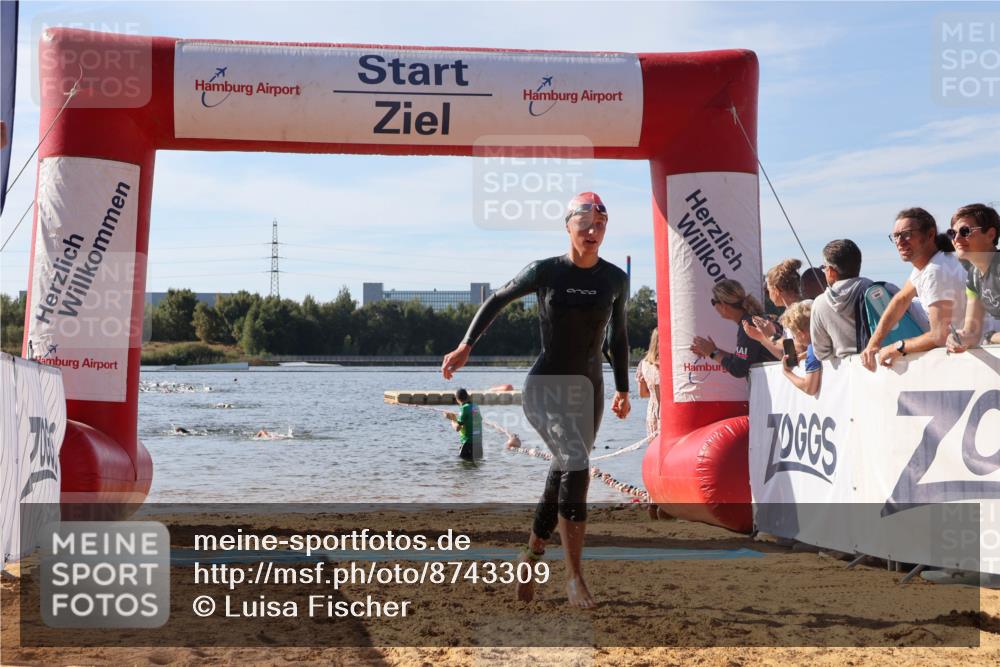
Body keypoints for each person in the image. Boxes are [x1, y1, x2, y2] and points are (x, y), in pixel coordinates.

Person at [441, 191, 630, 609]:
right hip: (546, 385)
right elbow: (496, 299)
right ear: (568, 226)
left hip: (590, 389)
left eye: (601, 224)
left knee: (566, 468)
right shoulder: (545, 272)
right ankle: (575, 579)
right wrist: (466, 344)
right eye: (586, 223)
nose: (594, 230)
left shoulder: (615, 279)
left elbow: (618, 337)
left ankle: (529, 556)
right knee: (577, 463)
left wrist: (622, 388)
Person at [861, 207, 967, 371]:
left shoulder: (935, 271)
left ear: (930, 234)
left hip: (971, 358)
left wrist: (896, 347)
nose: (899, 241)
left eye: (907, 234)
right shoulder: (928, 265)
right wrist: (873, 343)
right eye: (896, 236)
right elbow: (901, 299)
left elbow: (939, 336)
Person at [690, 279, 777, 377]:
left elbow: (738, 369)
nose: (713, 305)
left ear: (723, 305)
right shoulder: (752, 319)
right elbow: (740, 360)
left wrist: (713, 353)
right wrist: (715, 351)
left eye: (713, 301)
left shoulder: (748, 325)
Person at [945, 203, 1000, 353]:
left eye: (965, 231)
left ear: (990, 235)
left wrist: (992, 337)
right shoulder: (974, 276)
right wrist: (958, 338)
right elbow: (972, 332)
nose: (956, 238)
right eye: (952, 233)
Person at [809, 239, 873, 361]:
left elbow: (821, 353)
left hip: (847, 374)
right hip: (885, 366)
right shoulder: (878, 290)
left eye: (824, 267)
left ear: (831, 271)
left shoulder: (819, 303)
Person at [745, 258, 804, 359]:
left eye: (768, 290)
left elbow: (800, 351)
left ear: (776, 290)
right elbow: (789, 355)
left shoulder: (800, 311)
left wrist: (771, 335)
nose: (768, 295)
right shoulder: (794, 311)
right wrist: (762, 338)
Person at [779, 301, 822, 396]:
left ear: (800, 334)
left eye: (794, 336)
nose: (795, 340)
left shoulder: (812, 348)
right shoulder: (823, 336)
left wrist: (786, 372)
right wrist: (802, 356)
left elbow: (809, 388)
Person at [635, 328, 661, 439]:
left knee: (654, 450)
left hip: (652, 413)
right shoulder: (670, 363)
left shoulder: (643, 364)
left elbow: (642, 393)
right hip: (668, 414)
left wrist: (654, 393)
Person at [445, 388, 483, 462]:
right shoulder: (475, 406)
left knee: (463, 466)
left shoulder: (464, 408)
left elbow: (457, 428)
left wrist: (451, 418)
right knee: (475, 469)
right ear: (467, 396)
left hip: (468, 444)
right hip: (478, 444)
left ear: (457, 399)